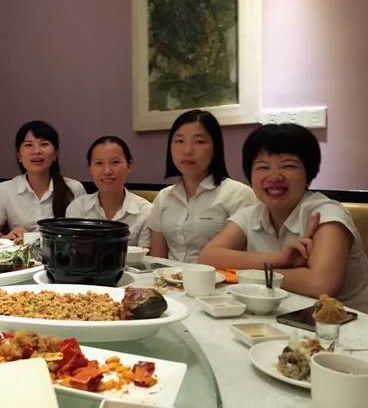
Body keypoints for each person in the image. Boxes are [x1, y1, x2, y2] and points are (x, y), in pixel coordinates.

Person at [198, 124, 368, 312]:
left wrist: (245, 273)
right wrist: (280, 259)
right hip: (284, 317)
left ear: (308, 174)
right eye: (263, 167)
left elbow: (320, 284)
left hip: (345, 323)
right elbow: (207, 257)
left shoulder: (326, 213)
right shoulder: (251, 214)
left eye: (288, 166)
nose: (274, 176)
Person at [148, 109, 256, 262]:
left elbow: (249, 256)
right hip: (169, 277)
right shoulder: (164, 197)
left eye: (199, 142)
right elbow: (157, 260)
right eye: (179, 141)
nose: (187, 150)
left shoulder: (239, 195)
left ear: (215, 149)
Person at [0, 120, 86, 240]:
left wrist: (30, 237)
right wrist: (6, 236)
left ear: (55, 154)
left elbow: (83, 238)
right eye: (28, 145)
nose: (36, 151)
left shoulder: (74, 189)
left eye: (44, 144)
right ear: (19, 155)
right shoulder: (5, 190)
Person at [66, 136, 151, 247]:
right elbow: (73, 251)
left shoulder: (145, 211)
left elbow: (145, 256)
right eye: (99, 163)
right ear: (90, 168)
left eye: (115, 162)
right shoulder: (78, 208)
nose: (107, 171)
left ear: (129, 166)